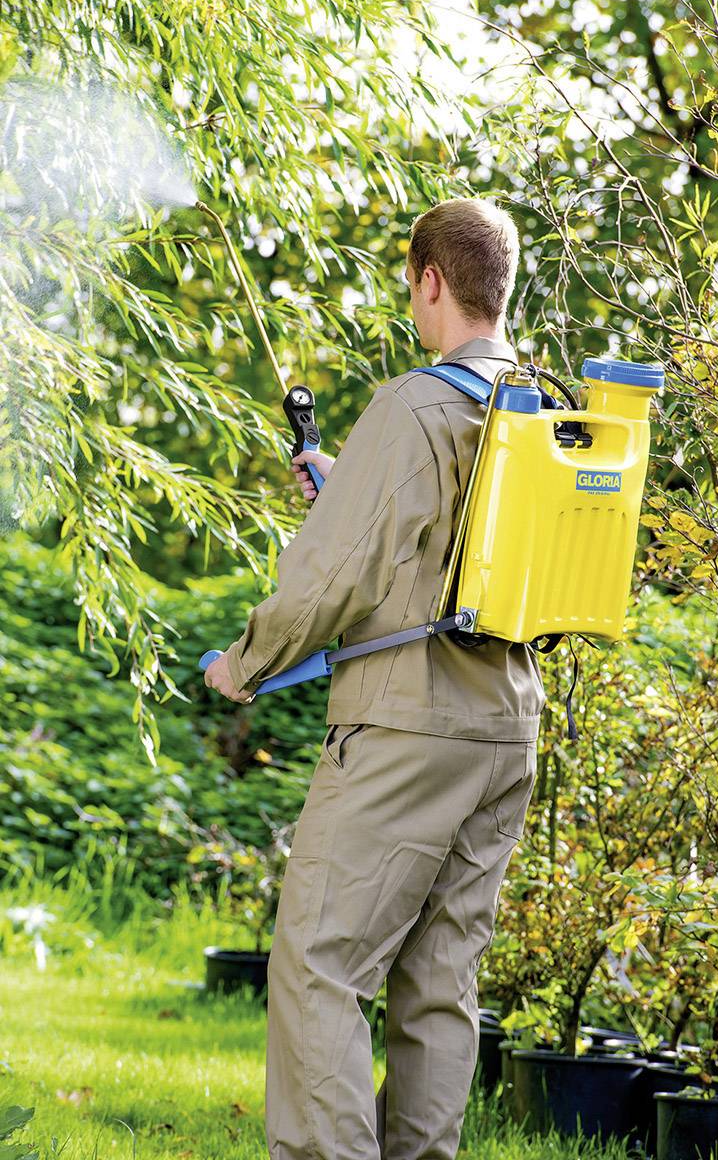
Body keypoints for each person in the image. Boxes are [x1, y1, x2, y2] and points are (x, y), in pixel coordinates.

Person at [204, 197, 546, 1160]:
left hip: (407, 728)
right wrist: (349, 475)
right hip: (506, 729)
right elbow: (458, 547)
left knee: (318, 965)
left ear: (428, 279)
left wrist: (248, 662)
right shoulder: (542, 406)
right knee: (440, 982)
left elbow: (333, 573)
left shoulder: (412, 404)